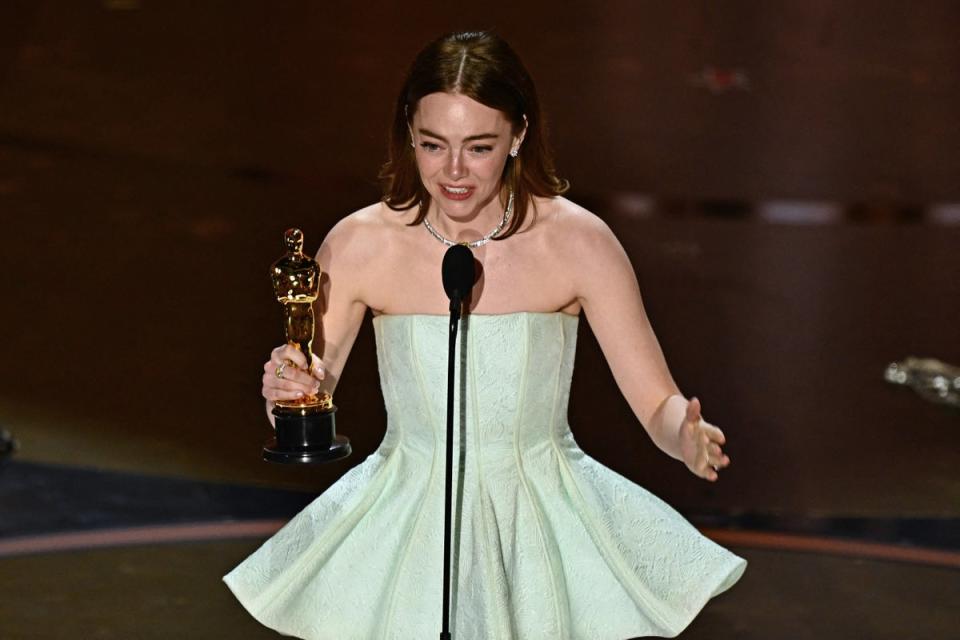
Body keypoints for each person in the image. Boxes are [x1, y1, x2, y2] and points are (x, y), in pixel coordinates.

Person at [224, 30, 745, 639]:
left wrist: (684, 436)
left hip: (539, 529)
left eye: (478, 147)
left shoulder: (579, 244)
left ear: (518, 136)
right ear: (408, 133)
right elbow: (312, 389)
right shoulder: (361, 244)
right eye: (432, 144)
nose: (453, 172)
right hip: (407, 526)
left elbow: (657, 403)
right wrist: (283, 393)